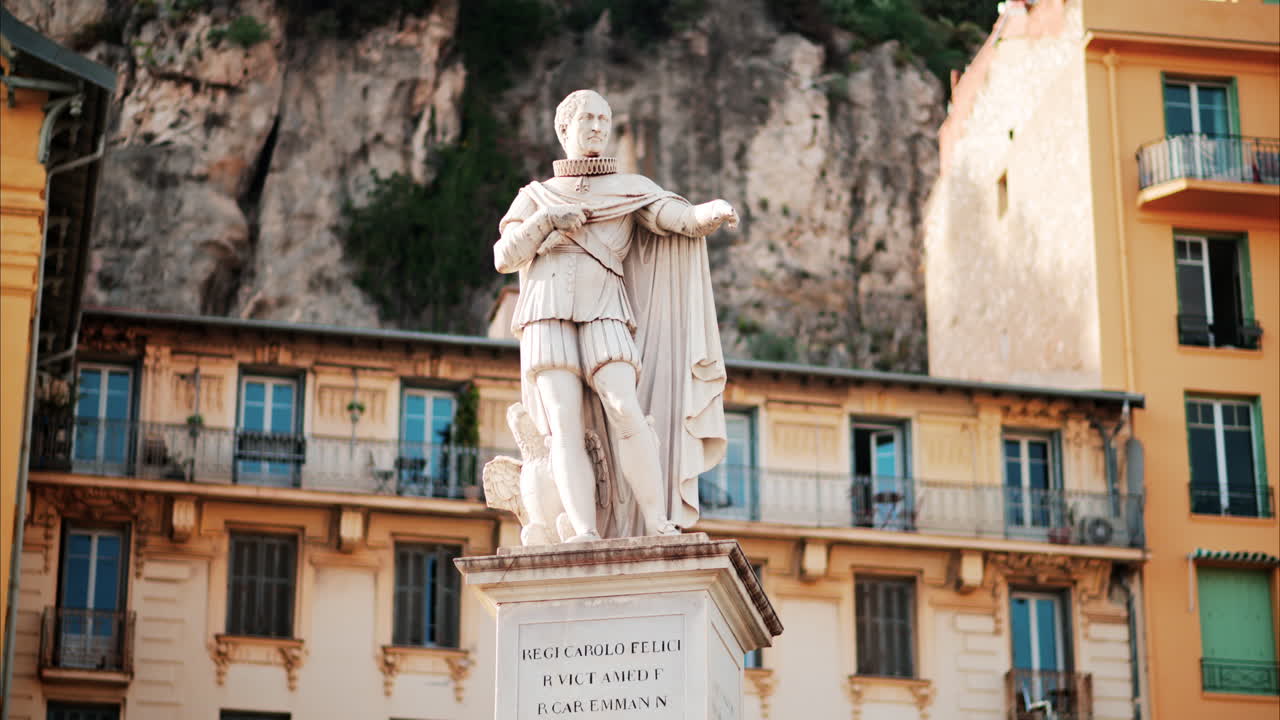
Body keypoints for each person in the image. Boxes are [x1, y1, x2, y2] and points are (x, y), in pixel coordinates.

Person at [493, 89, 736, 543]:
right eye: (588, 118)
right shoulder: (535, 196)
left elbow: (677, 218)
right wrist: (546, 221)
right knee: (563, 421)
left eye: (604, 119)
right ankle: (583, 529)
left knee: (625, 408)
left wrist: (711, 213)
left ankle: (656, 520)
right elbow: (504, 256)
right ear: (563, 128)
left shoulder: (633, 189)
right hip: (545, 311)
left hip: (605, 307)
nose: (599, 128)